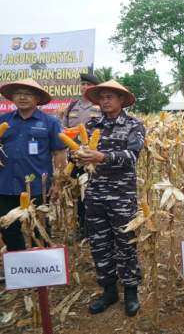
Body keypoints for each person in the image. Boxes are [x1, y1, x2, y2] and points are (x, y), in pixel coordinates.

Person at [73, 80, 145, 317]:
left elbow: (131, 156)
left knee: (126, 243)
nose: (104, 101)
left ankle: (131, 290)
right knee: (99, 244)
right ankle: (108, 290)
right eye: (101, 97)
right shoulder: (91, 125)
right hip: (95, 194)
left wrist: (101, 157)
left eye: (109, 97)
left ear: (121, 100)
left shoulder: (134, 125)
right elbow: (79, 154)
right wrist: (77, 156)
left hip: (122, 196)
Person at [0, 78, 66, 251]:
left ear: (37, 98)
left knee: (40, 229)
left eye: (28, 94)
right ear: (12, 97)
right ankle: (18, 262)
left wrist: (57, 183)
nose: (22, 97)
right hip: (5, 185)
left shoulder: (50, 122)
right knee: (9, 229)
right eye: (18, 93)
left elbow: (59, 153)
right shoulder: (3, 120)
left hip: (37, 186)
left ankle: (41, 264)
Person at [62, 72, 102, 238]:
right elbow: (65, 130)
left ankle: (95, 228)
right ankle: (81, 228)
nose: (85, 87)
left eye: (89, 85)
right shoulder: (72, 106)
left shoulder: (100, 106)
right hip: (75, 158)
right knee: (78, 193)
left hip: (94, 159)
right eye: (83, 84)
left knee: (94, 193)